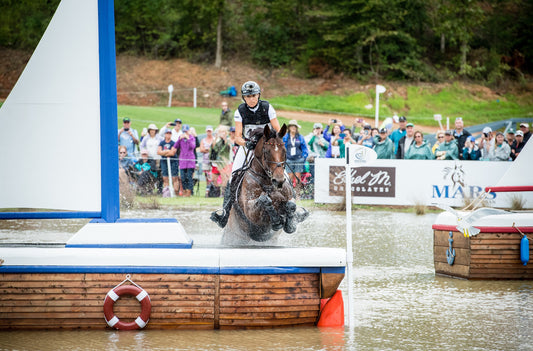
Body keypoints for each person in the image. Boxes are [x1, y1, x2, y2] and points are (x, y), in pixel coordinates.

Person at [211, 81, 281, 228]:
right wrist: (246, 143)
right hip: (248, 148)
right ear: (244, 98)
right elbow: (237, 136)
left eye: (254, 95)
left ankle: (293, 204)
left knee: (280, 169)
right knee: (234, 175)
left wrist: (270, 143)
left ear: (258, 95)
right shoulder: (240, 111)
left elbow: (277, 130)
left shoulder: (267, 107)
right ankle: (224, 212)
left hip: (266, 148)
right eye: (248, 96)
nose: (251, 99)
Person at [283, 120, 309, 192]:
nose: (293, 128)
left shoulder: (300, 137)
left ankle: (297, 194)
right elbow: (283, 148)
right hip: (289, 159)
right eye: (292, 126)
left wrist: (304, 157)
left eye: (295, 126)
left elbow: (304, 148)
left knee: (298, 177)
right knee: (289, 177)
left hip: (298, 159)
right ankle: (290, 193)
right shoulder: (285, 137)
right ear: (289, 127)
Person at [173, 124, 197, 197]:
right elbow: (175, 146)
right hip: (183, 161)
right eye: (184, 132)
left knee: (189, 177)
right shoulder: (181, 139)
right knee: (182, 177)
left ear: (189, 131)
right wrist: (179, 139)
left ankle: (189, 192)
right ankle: (184, 191)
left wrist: (188, 138)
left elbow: (193, 146)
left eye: (186, 131)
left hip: (190, 161)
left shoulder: (192, 138)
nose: (185, 133)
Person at [209, 126, 232, 196]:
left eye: (223, 132)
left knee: (224, 180)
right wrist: (215, 138)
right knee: (213, 179)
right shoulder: (217, 141)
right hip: (216, 163)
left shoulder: (228, 140)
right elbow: (214, 150)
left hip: (223, 163)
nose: (222, 133)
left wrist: (225, 140)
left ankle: (224, 194)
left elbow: (226, 149)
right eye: (220, 132)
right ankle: (216, 193)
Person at [157, 129, 179, 196]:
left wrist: (163, 152)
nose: (168, 135)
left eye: (169, 133)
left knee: (174, 178)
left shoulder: (173, 143)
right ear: (165, 134)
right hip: (164, 162)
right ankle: (166, 193)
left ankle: (176, 193)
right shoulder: (162, 143)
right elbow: (158, 152)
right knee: (165, 178)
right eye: (167, 133)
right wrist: (167, 151)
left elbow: (172, 153)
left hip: (173, 162)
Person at [199, 125, 215, 196]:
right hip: (205, 160)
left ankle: (213, 190)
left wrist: (207, 149)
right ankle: (208, 190)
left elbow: (214, 149)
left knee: (213, 176)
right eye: (208, 131)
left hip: (213, 161)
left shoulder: (214, 139)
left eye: (210, 131)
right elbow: (201, 149)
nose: (209, 132)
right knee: (207, 177)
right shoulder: (203, 140)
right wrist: (209, 149)